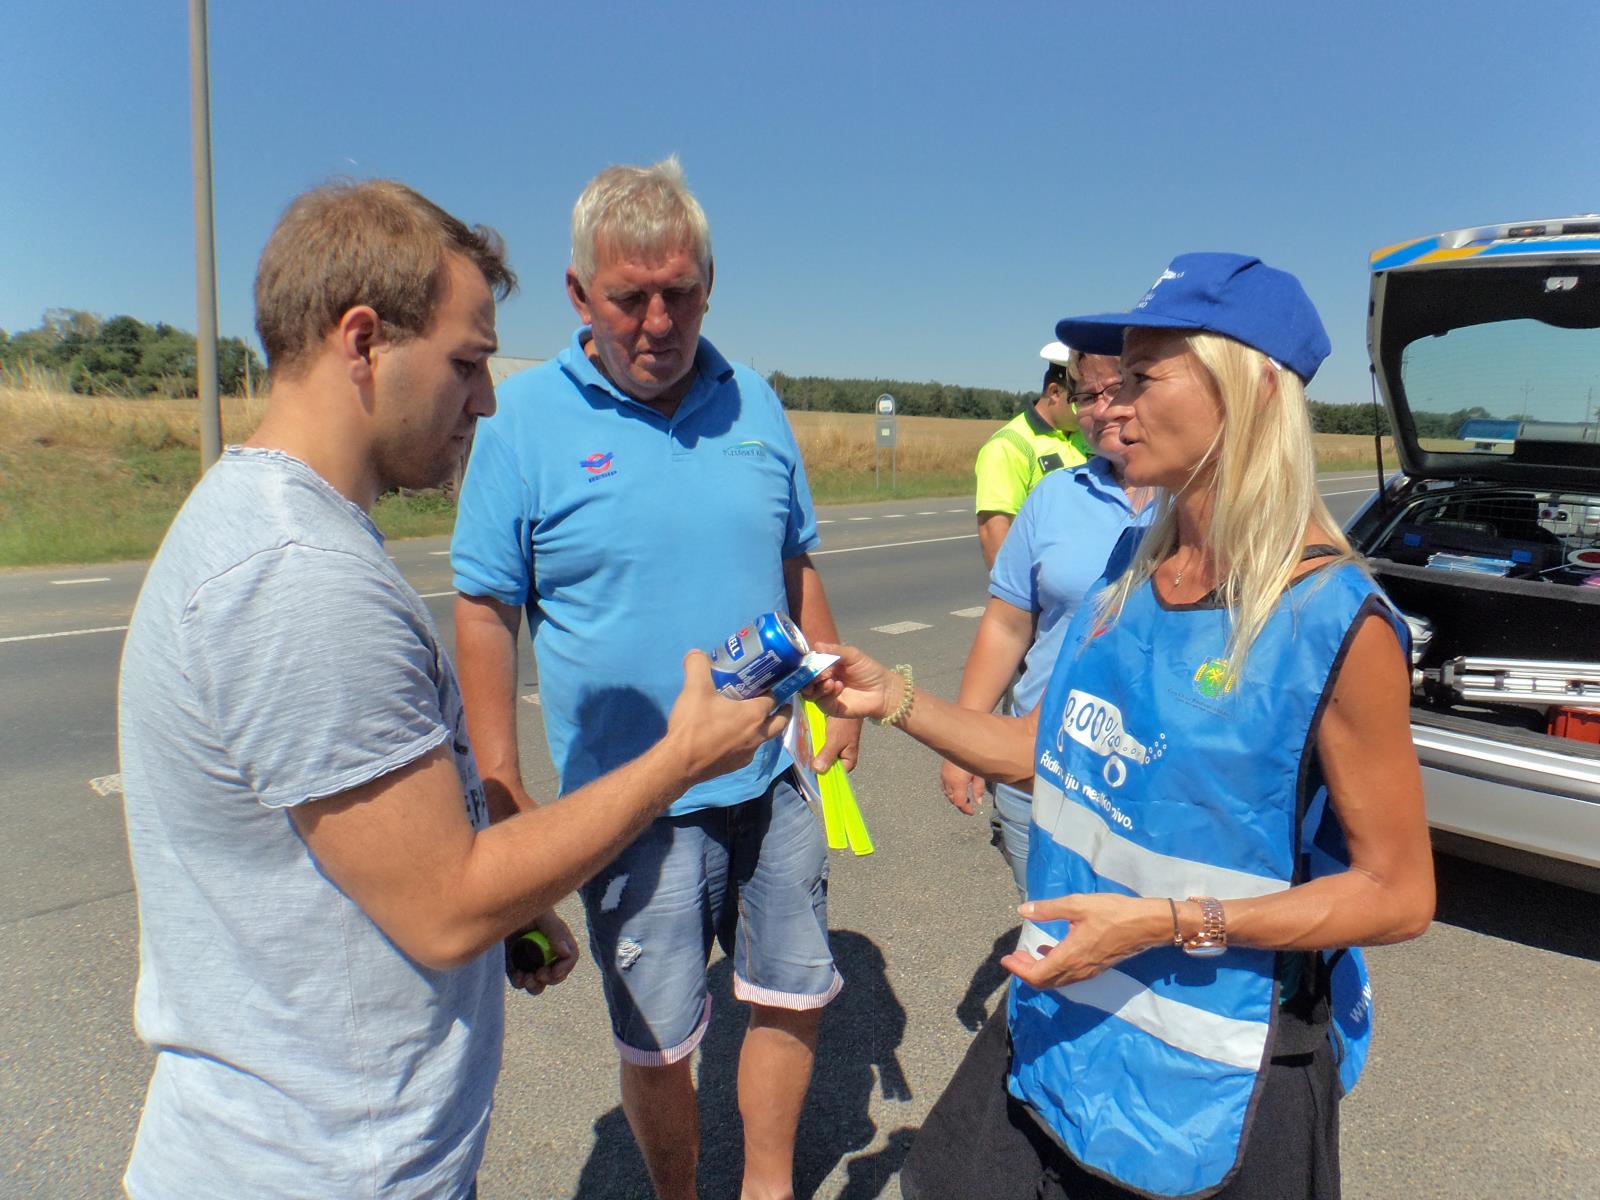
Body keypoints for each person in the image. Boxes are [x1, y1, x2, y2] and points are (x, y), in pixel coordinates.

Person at [116, 180, 787, 1200]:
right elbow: (443, 905)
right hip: (327, 1169)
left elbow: (392, 856)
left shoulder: (277, 528)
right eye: (468, 363)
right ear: (362, 343)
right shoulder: (298, 579)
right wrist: (680, 759)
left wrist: (509, 891)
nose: (483, 400)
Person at [812, 253, 1436, 1199]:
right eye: (1110, 382)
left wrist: (1169, 924)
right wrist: (894, 701)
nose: (1111, 405)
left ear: (1253, 388)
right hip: (1064, 1025)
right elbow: (1049, 756)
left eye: (1145, 378)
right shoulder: (1131, 577)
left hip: (1219, 1080)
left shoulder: (1334, 625)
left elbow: (1396, 894)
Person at [450, 157, 858, 1200]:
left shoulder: (754, 402)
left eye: (680, 291)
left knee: (789, 996)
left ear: (708, 285)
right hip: (628, 805)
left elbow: (795, 560)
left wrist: (831, 689)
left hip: (772, 780)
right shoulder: (523, 420)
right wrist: (500, 790)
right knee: (660, 1040)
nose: (657, 320)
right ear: (581, 293)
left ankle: (767, 1188)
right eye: (630, 297)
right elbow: (487, 609)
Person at [940, 349, 1150, 896]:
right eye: (1086, 396)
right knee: (1048, 929)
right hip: (1035, 768)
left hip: (1148, 777)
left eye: (1116, 390)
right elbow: (1007, 624)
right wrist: (966, 741)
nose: (1101, 410)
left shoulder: (1204, 496)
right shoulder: (1054, 495)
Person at [973, 341, 1093, 568]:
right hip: (1041, 588)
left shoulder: (1086, 436)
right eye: (1080, 401)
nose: (1087, 409)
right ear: (1054, 392)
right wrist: (1015, 599)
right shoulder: (1009, 445)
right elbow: (993, 530)